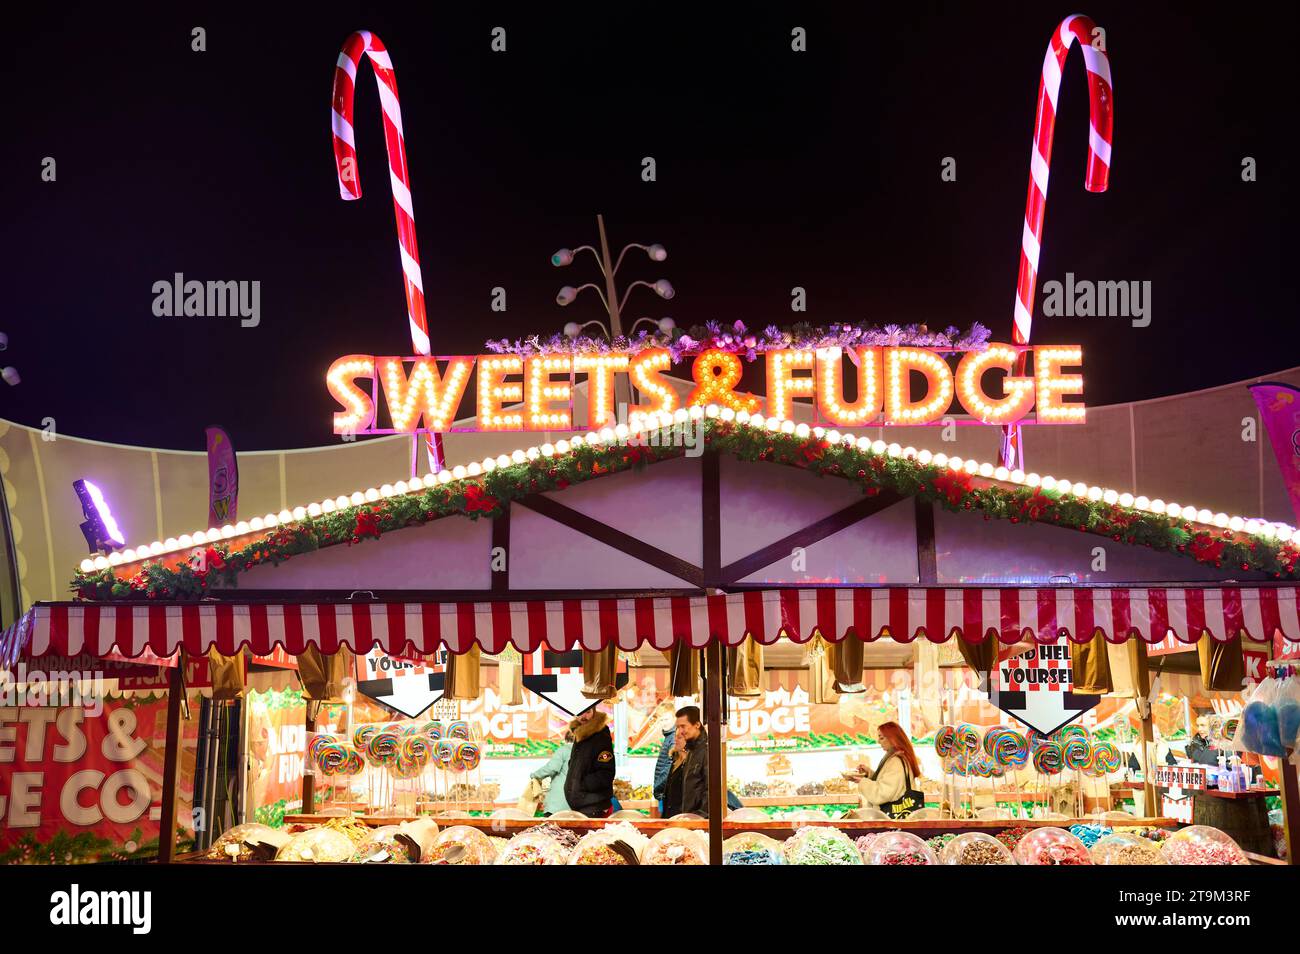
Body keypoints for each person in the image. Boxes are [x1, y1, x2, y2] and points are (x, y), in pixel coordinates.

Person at [854, 721, 922, 812]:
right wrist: (869, 774)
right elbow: (889, 783)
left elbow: (882, 794)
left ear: (892, 739)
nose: (878, 741)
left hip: (893, 821)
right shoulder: (896, 758)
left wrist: (862, 782)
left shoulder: (896, 762)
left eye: (881, 738)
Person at [564, 708, 616, 817]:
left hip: (594, 805)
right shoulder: (579, 733)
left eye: (588, 712)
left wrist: (581, 785)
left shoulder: (600, 734)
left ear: (594, 712)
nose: (584, 716)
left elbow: (606, 772)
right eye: (580, 712)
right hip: (583, 805)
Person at [663, 706, 709, 817]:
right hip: (689, 818)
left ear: (697, 725)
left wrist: (700, 816)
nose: (680, 731)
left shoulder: (707, 751)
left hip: (699, 821)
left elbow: (711, 790)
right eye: (678, 727)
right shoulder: (691, 751)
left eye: (683, 726)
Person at [529, 730, 573, 816]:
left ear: (566, 739)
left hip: (559, 803)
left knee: (553, 828)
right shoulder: (585, 752)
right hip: (577, 803)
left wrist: (535, 775)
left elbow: (552, 768)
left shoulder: (564, 750)